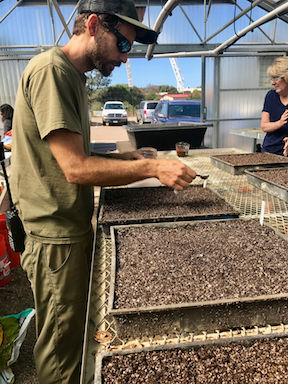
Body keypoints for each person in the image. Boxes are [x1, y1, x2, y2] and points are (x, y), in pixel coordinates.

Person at [10, 1, 197, 383]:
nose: (124, 58)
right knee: (61, 350)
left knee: (73, 333)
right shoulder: (51, 72)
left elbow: (72, 155)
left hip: (67, 227)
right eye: (123, 45)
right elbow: (75, 170)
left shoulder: (73, 76)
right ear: (93, 25)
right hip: (54, 235)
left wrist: (126, 157)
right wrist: (152, 167)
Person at [261, 57, 288, 155]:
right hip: (269, 151)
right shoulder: (271, 96)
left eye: (276, 78)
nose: (272, 82)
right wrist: (279, 123)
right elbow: (264, 126)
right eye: (271, 78)